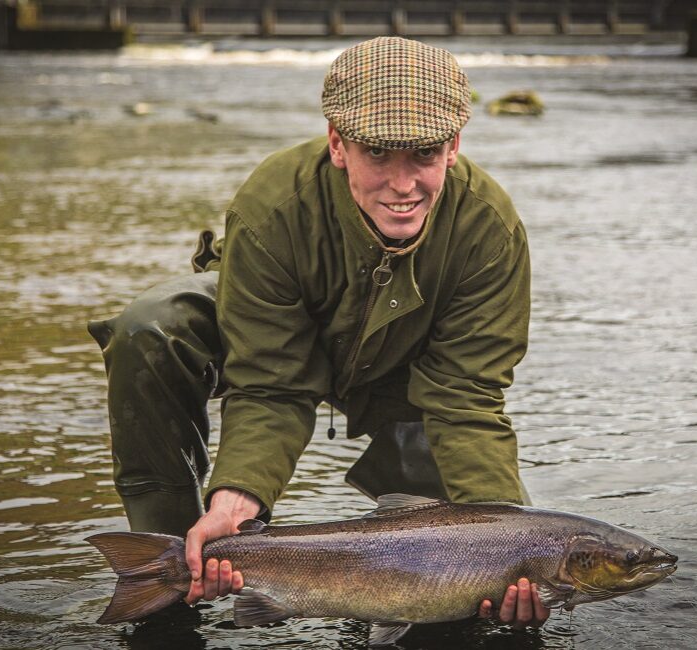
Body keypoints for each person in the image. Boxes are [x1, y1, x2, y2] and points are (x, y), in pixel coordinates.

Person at [89, 36, 549, 629]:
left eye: (425, 155)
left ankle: (413, 593)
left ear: (454, 146)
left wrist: (510, 540)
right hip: (276, 345)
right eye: (378, 154)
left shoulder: (489, 230)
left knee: (468, 600)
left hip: (407, 376)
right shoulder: (273, 203)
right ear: (338, 143)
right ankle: (176, 562)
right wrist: (237, 498)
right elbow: (272, 383)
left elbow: (467, 398)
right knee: (149, 330)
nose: (403, 184)